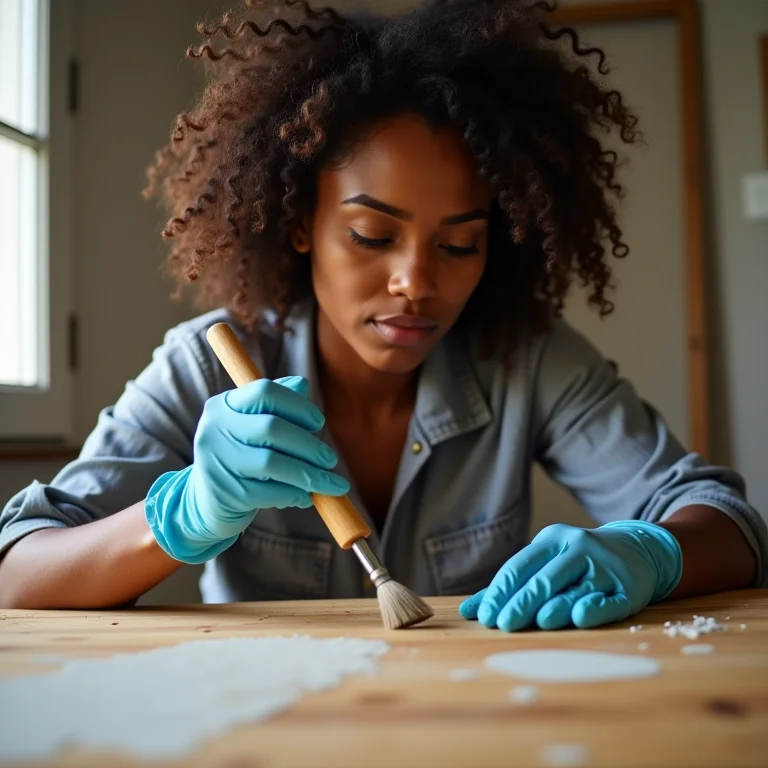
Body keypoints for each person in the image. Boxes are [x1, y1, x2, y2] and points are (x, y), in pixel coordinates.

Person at [0, 0, 764, 631]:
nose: (415, 282)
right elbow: (16, 574)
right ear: (301, 224)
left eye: (461, 244)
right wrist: (186, 514)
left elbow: (729, 521)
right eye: (372, 236)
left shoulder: (525, 360)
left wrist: (649, 551)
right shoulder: (207, 363)